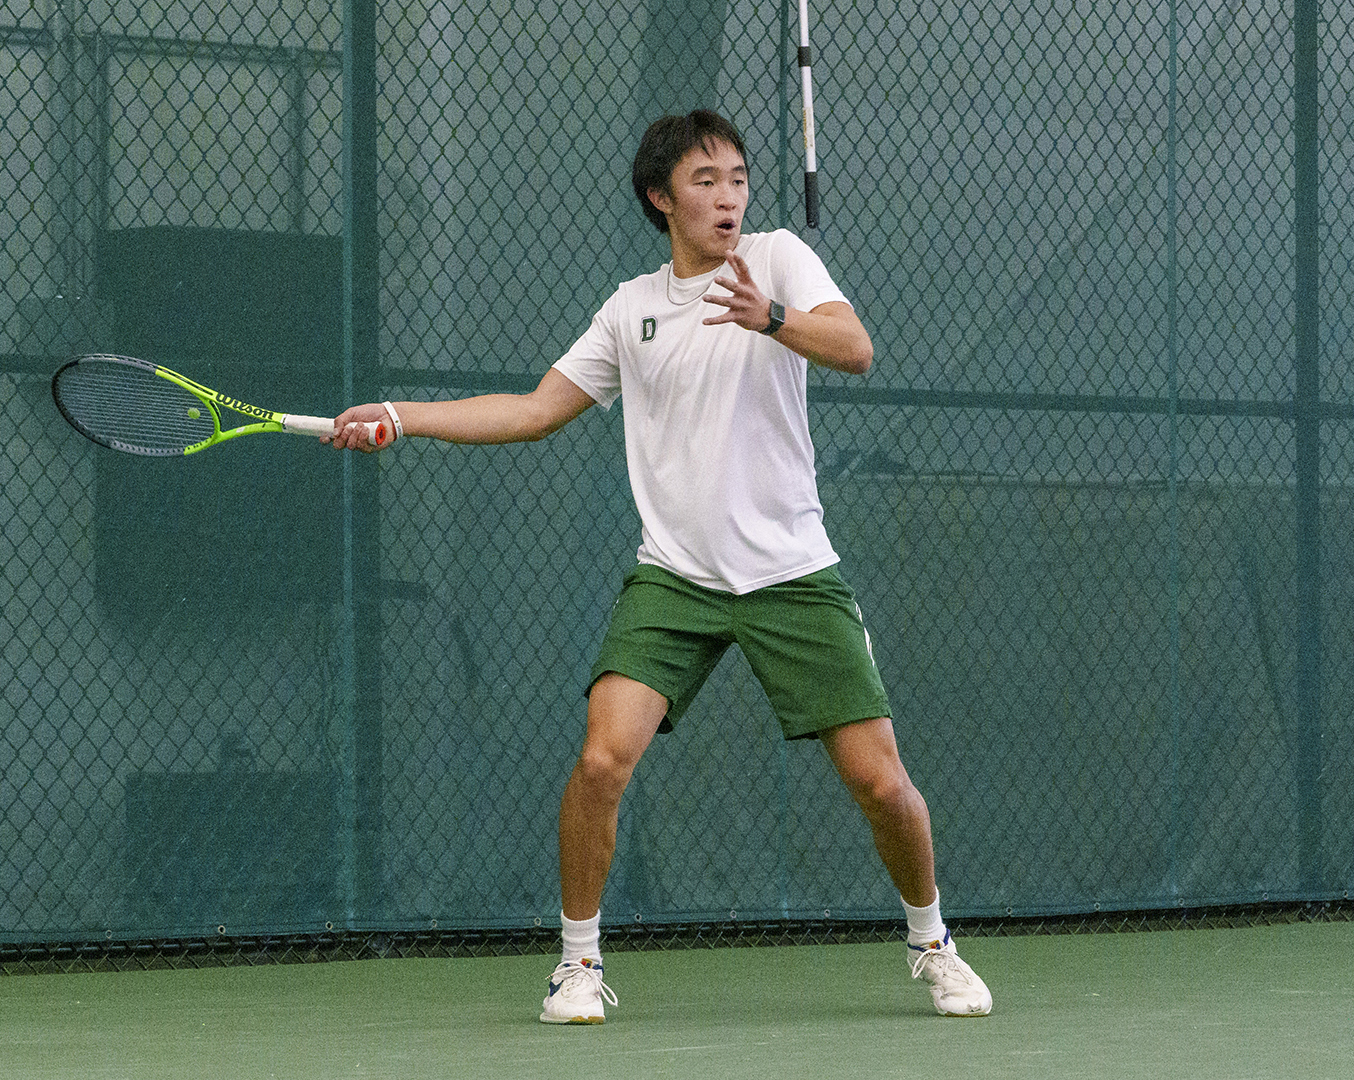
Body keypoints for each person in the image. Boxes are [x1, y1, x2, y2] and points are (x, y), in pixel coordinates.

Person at [330, 109, 991, 1024]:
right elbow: (532, 409)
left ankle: (932, 941)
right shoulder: (629, 309)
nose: (728, 197)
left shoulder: (779, 261)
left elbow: (858, 348)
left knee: (881, 784)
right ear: (660, 198)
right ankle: (576, 965)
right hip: (675, 578)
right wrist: (401, 416)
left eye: (737, 178)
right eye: (704, 181)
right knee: (603, 759)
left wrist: (774, 318)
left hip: (791, 571)